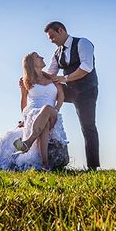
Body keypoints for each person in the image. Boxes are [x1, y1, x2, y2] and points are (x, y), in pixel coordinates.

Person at [0, 52, 69, 171]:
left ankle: (27, 142)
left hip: (52, 112)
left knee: (47, 109)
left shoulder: (52, 78)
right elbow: (24, 103)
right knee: (45, 124)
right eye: (37, 57)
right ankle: (45, 164)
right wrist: (25, 118)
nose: (42, 57)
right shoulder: (26, 81)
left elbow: (61, 96)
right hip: (33, 115)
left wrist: (55, 110)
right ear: (31, 63)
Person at [44, 21, 100, 170]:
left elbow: (86, 67)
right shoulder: (57, 53)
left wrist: (65, 78)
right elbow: (50, 74)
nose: (51, 41)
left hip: (86, 91)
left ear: (61, 30)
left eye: (52, 36)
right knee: (47, 90)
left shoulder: (83, 43)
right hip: (69, 91)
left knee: (87, 126)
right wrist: (31, 76)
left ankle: (93, 167)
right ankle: (40, 121)